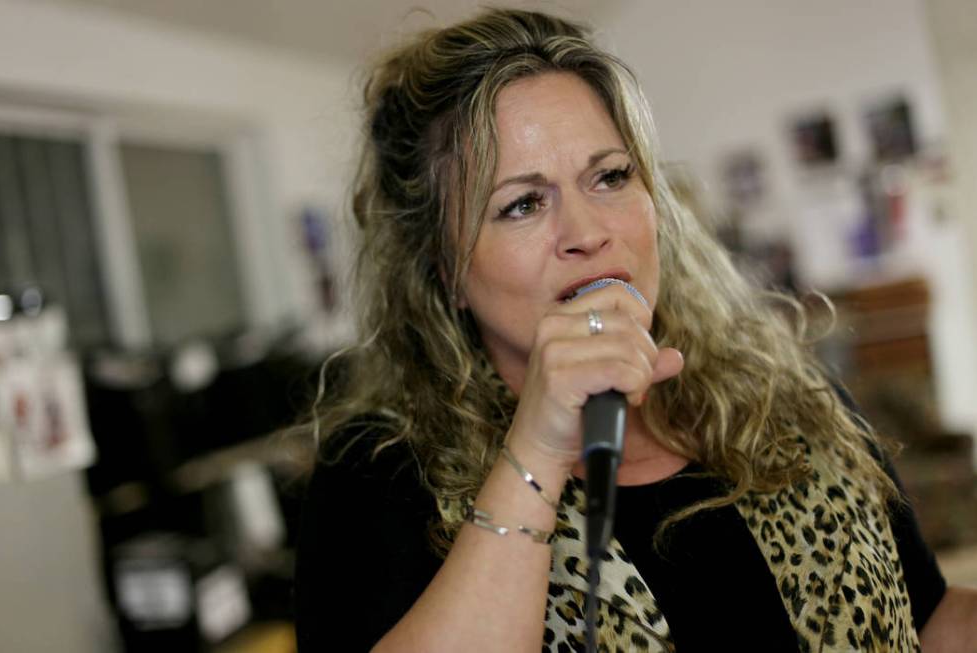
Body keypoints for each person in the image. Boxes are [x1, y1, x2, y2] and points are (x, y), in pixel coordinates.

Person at [295, 8, 977, 652]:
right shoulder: (380, 472)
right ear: (444, 266)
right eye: (523, 203)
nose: (589, 233)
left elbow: (930, 617)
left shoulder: (786, 392)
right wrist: (538, 446)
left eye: (611, 176)